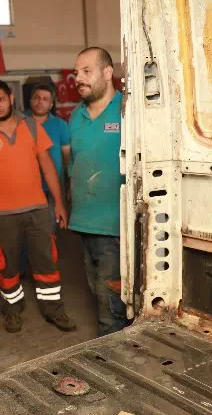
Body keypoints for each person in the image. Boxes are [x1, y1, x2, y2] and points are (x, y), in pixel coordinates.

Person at [0, 79, 76, 334]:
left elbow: (48, 166)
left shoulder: (32, 127)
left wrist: (59, 203)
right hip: (0, 215)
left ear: (11, 98)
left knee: (46, 262)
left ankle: (54, 309)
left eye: (0, 100)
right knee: (6, 266)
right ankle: (12, 310)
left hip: (37, 209)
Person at [68, 47, 128, 337]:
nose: (78, 78)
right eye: (76, 73)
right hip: (85, 225)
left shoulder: (128, 111)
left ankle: (115, 360)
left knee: (111, 310)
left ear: (107, 72)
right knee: (99, 296)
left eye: (86, 71)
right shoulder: (75, 116)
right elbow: (73, 165)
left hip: (115, 229)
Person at [20, 82, 72, 276]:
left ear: (51, 104)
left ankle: (44, 271)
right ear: (30, 100)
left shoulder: (60, 126)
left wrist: (67, 187)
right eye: (36, 98)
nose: (40, 102)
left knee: (47, 232)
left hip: (51, 190)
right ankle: (23, 270)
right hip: (24, 189)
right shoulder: (19, 123)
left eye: (45, 99)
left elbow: (67, 159)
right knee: (23, 232)